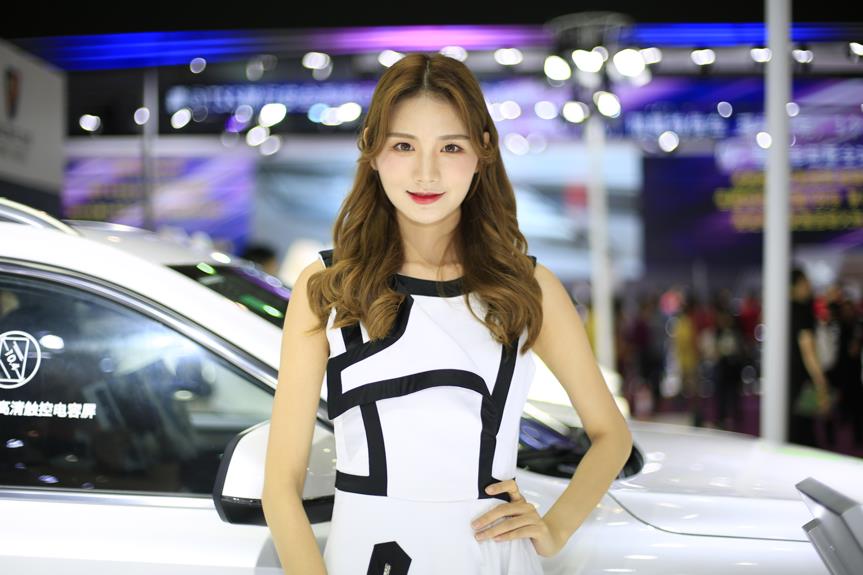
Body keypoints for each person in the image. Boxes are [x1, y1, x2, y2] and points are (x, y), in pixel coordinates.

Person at [260, 52, 633, 575]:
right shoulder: (328, 287)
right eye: (404, 146)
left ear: (482, 152)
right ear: (372, 150)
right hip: (367, 556)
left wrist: (555, 528)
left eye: (450, 147)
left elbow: (612, 435)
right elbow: (280, 485)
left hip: (490, 558)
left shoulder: (528, 288)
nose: (426, 172)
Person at [788, 267, 831, 447]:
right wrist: (821, 383)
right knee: (803, 436)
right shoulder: (801, 311)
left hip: (786, 380)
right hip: (800, 382)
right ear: (794, 286)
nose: (809, 286)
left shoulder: (782, 311)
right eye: (805, 282)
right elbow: (808, 351)